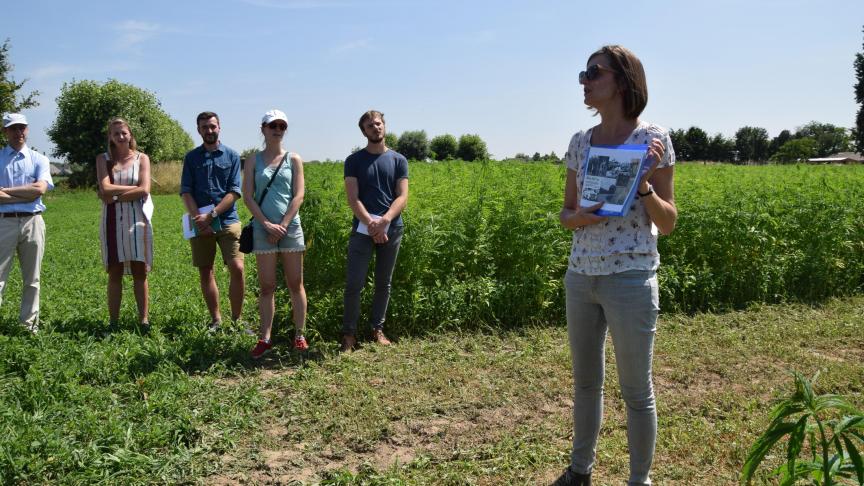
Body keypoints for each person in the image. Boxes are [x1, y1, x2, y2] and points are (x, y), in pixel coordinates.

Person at [555, 45, 678, 486]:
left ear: (623, 81)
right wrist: (584, 215)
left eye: (593, 73)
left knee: (636, 391)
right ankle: (579, 471)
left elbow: (668, 223)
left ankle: (638, 480)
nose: (584, 81)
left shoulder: (653, 141)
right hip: (581, 276)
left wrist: (643, 184)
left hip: (630, 277)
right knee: (585, 384)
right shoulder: (580, 142)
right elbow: (566, 214)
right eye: (582, 73)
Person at [242, 110, 308, 359]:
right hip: (262, 228)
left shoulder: (294, 159)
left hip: (290, 228)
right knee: (267, 286)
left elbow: (299, 195)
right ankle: (265, 338)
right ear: (263, 129)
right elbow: (248, 196)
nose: (277, 129)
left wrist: (283, 224)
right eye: (273, 125)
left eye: (282, 126)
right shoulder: (252, 161)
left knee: (295, 284)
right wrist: (268, 225)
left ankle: (299, 335)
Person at [341, 110, 409, 352]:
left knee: (384, 282)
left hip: (392, 228)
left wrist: (385, 221)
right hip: (362, 229)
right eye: (370, 126)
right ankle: (349, 334)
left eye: (378, 123)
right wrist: (371, 224)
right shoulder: (354, 161)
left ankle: (377, 329)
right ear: (364, 131)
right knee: (354, 284)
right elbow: (353, 198)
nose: (375, 128)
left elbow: (402, 196)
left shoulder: (398, 160)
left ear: (384, 126)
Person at [180, 111, 246, 332]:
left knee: (237, 267)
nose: (209, 130)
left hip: (227, 220)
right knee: (206, 270)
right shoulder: (191, 158)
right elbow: (186, 191)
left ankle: (237, 320)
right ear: (198, 130)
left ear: (219, 127)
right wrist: (199, 218)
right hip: (200, 222)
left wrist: (213, 215)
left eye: (212, 126)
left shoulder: (232, 156)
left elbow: (235, 191)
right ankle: (216, 320)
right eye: (204, 127)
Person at [96, 117, 153, 333]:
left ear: (130, 135)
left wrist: (117, 196)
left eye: (124, 133)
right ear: (110, 137)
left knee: (140, 270)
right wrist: (129, 190)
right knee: (115, 270)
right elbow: (104, 188)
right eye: (116, 133)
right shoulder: (103, 160)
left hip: (138, 219)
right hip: (111, 221)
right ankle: (114, 322)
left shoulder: (142, 158)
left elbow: (144, 189)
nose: (121, 137)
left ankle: (144, 320)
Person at [0, 113, 54, 333]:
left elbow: (39, 190)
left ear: (27, 130)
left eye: (22, 127)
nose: (18, 132)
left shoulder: (39, 159)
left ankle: (28, 326)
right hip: (3, 223)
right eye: (13, 128)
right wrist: (27, 193)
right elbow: (32, 192)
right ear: (5, 132)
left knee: (32, 279)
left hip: (33, 222)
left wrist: (6, 192)